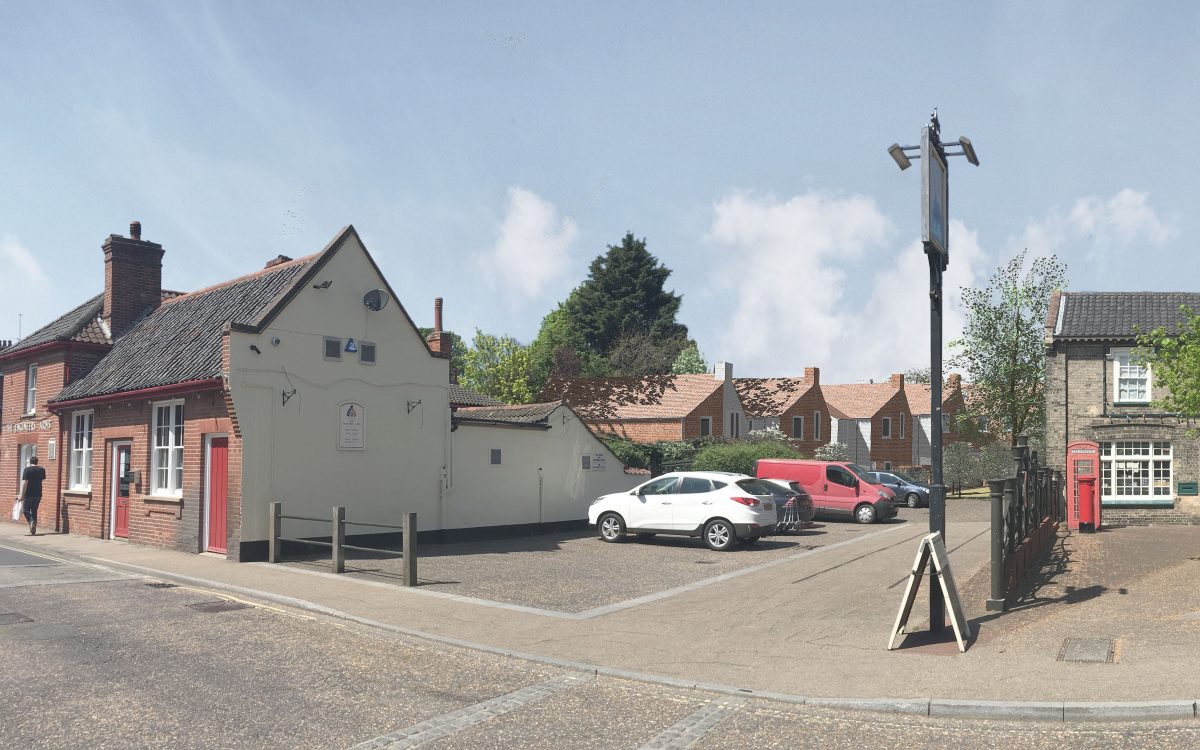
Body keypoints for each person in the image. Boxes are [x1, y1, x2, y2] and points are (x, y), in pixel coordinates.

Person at [17, 455, 46, 536]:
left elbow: (26, 483)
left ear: (30, 462)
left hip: (28, 493)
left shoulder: (27, 470)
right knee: (34, 510)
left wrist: (22, 495)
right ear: (37, 461)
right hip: (38, 493)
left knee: (25, 510)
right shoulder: (42, 470)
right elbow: (42, 480)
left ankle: (31, 521)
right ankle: (33, 529)